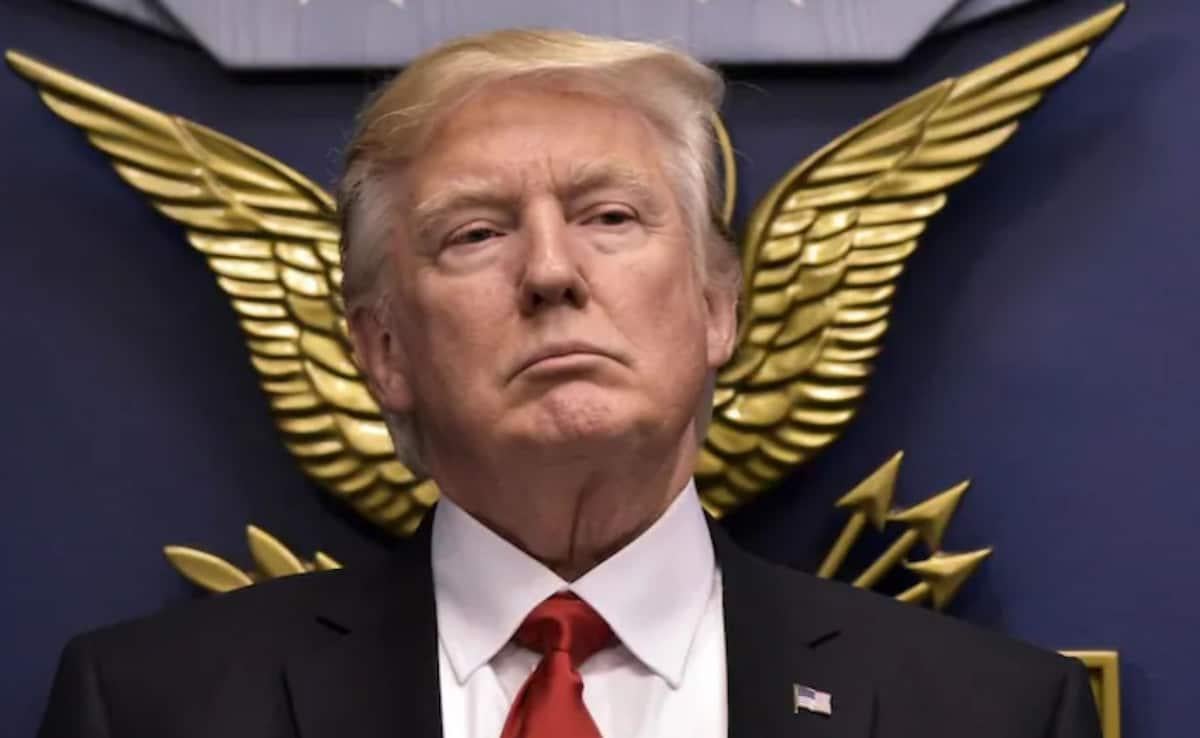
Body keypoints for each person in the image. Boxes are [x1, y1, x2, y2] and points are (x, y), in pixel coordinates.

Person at [37, 29, 1101, 738]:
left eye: (610, 217)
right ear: (383, 350)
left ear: (718, 308)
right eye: (474, 233)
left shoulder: (990, 714)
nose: (551, 272)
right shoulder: (151, 708)